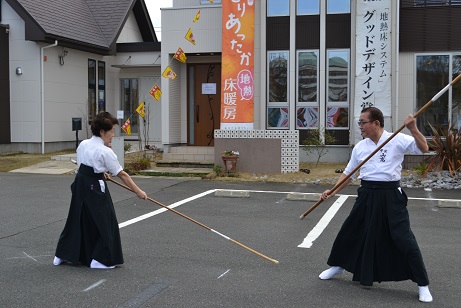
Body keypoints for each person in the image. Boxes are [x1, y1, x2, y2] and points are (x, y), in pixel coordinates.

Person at [318, 107, 433, 303]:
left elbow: (424, 148)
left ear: (376, 123)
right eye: (360, 123)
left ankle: (422, 284)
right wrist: (333, 190)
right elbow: (349, 173)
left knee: (404, 238)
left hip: (390, 195)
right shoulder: (360, 147)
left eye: (363, 122)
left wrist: (413, 128)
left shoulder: (396, 139)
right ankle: (338, 265)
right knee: (350, 230)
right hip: (367, 194)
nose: (360, 126)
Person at [53, 111, 147, 269]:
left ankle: (62, 254)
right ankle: (101, 260)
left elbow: (84, 166)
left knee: (76, 219)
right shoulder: (106, 152)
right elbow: (122, 175)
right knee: (105, 221)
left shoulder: (83, 144)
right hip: (94, 187)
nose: (113, 134)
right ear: (102, 131)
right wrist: (138, 191)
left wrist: (100, 172)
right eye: (111, 131)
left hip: (80, 183)